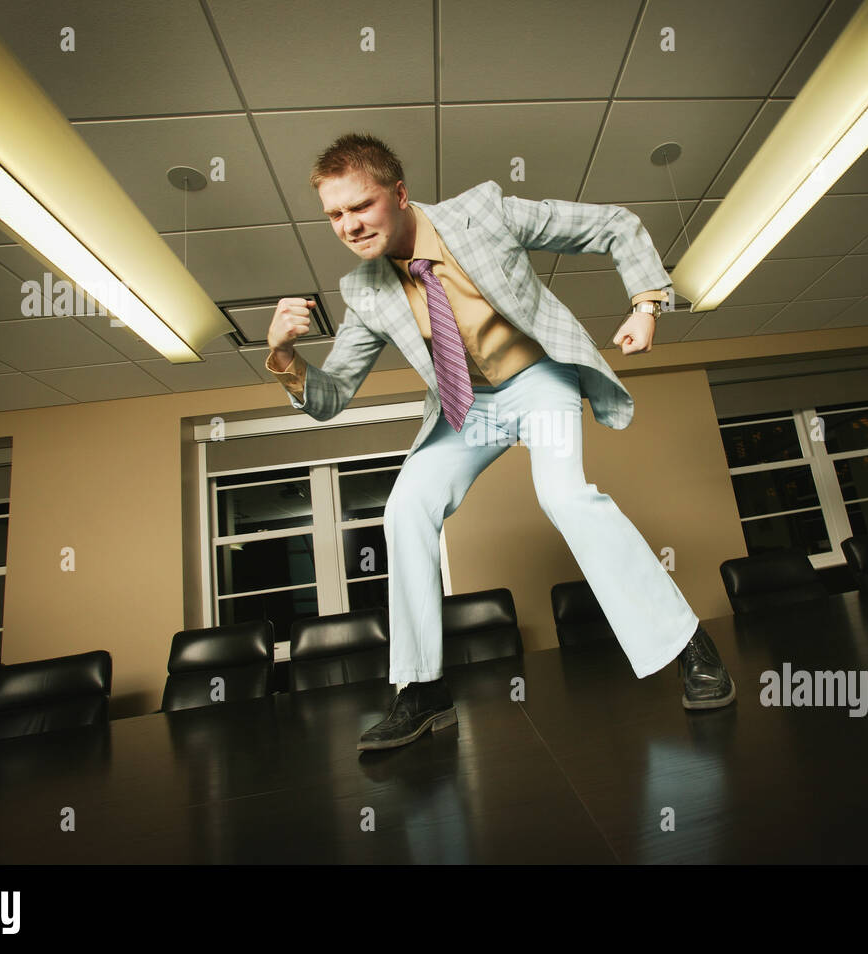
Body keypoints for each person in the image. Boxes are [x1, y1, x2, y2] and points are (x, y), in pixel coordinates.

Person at [265, 133, 734, 752]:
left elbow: (614, 225)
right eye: (335, 215)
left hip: (538, 380)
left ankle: (687, 647)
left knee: (564, 497)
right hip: (470, 407)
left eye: (362, 206)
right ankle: (422, 690)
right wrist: (283, 356)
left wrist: (646, 303)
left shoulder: (482, 212)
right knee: (406, 507)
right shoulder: (365, 289)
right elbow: (333, 397)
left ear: (399, 194)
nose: (349, 226)